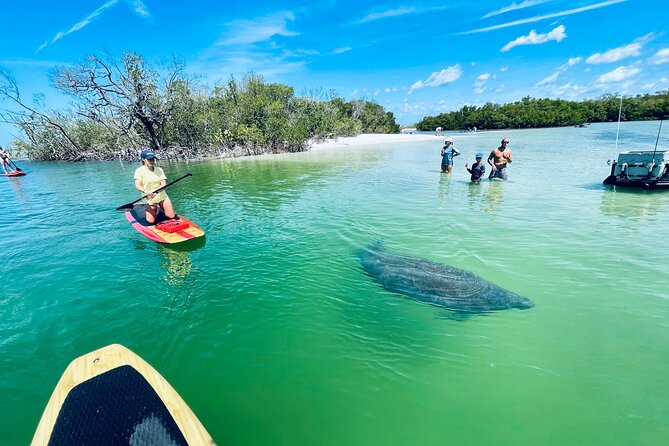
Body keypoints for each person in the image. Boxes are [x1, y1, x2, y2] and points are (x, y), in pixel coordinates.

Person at [134, 150, 175, 224]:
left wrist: (156, 192)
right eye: (149, 159)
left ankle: (160, 207)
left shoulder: (159, 170)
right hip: (148, 198)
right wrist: (146, 191)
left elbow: (163, 184)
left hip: (161, 195)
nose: (152, 161)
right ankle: (151, 208)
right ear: (144, 160)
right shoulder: (139, 171)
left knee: (171, 216)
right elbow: (138, 185)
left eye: (153, 159)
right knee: (151, 221)